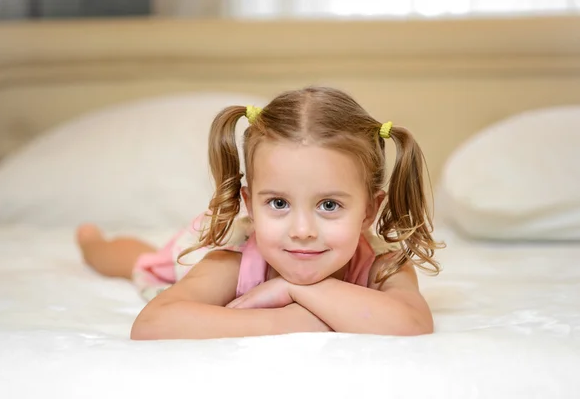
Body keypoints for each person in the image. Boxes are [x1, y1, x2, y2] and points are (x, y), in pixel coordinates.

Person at [76, 86, 444, 340]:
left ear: (368, 210)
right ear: (250, 204)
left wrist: (294, 288)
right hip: (197, 248)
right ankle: (93, 241)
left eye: (329, 205)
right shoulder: (228, 261)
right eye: (279, 203)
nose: (302, 230)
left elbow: (411, 322)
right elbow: (153, 324)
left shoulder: (383, 262)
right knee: (143, 262)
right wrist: (290, 320)